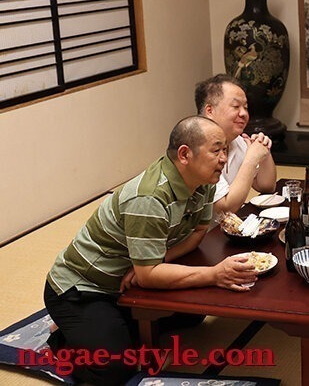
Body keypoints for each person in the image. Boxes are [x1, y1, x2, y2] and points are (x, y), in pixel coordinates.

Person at [44, 116, 260, 385]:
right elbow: (148, 277)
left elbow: (196, 234)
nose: (224, 159)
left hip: (126, 282)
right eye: (216, 150)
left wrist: (154, 263)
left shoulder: (204, 182)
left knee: (193, 314)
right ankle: (63, 341)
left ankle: (101, 329)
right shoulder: (149, 198)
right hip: (83, 288)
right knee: (115, 369)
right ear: (185, 154)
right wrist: (214, 274)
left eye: (225, 150)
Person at [195, 74, 277, 214]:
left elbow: (267, 186)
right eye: (236, 106)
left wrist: (263, 150)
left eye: (245, 107)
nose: (244, 113)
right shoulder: (197, 148)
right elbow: (225, 209)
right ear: (210, 111)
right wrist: (251, 159)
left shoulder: (237, 140)